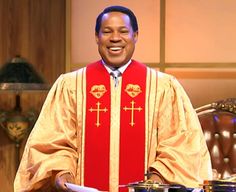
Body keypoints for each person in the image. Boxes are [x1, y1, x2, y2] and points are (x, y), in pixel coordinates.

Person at [14, 5, 212, 192]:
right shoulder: (71, 85)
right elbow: (52, 142)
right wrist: (62, 173)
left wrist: (157, 179)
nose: (115, 38)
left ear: (135, 36)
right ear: (96, 37)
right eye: (107, 31)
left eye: (123, 31)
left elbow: (181, 145)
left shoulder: (163, 88)